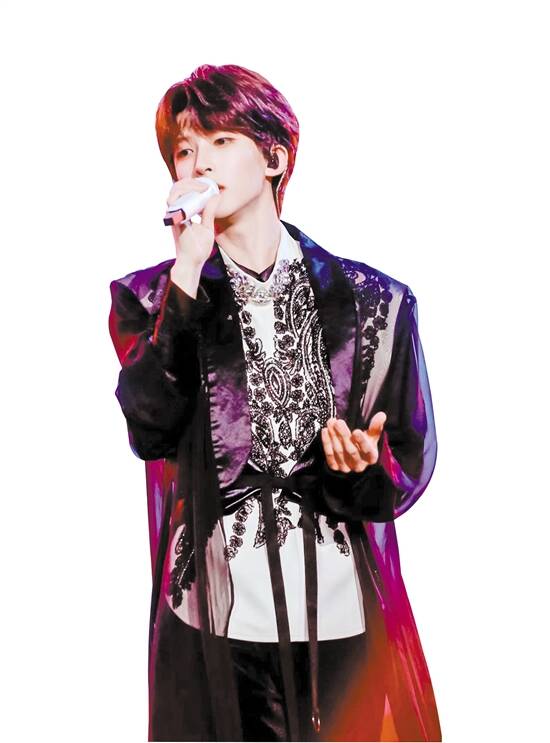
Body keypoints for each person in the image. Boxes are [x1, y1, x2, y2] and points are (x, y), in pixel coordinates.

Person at [108, 63, 442, 742]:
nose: (199, 161)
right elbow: (151, 426)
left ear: (274, 158)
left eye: (220, 139)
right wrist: (187, 271)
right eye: (184, 149)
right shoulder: (151, 297)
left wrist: (361, 466)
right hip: (214, 620)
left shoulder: (375, 302)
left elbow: (408, 457)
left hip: (340, 612)